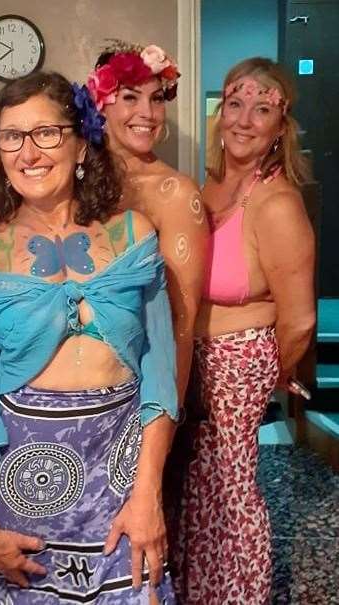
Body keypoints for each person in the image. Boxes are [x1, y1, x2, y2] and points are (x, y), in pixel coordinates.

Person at [0, 71, 180, 603]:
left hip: (122, 482)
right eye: (12, 136)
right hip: (23, 492)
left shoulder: (134, 235)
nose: (28, 151)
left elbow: (160, 375)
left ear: (79, 142)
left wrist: (149, 493)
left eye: (46, 132)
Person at [174, 57, 315, 604]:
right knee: (196, 489)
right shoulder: (207, 188)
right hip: (196, 361)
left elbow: (300, 318)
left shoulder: (276, 203)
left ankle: (238, 594)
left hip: (238, 361)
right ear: (220, 112)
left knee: (230, 493)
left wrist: (266, 373)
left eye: (263, 110)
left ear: (281, 127)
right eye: (236, 105)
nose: (245, 120)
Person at [88, 40, 209, 404]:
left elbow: (182, 323)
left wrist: (166, 418)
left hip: (140, 387)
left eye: (157, 99)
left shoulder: (174, 193)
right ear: (100, 101)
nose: (148, 112)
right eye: (130, 97)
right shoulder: (71, 178)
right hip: (75, 384)